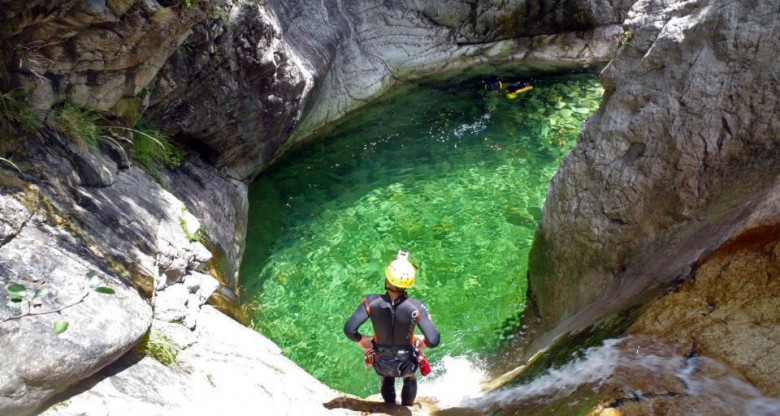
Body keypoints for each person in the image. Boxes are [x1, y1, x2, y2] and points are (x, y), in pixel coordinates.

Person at [344, 249, 440, 406]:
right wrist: (424, 343)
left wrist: (361, 339)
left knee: (387, 378)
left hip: (382, 356)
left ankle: (390, 407)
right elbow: (434, 340)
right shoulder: (416, 307)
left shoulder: (371, 302)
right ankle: (406, 408)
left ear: (387, 280)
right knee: (409, 378)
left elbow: (349, 329)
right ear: (409, 284)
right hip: (406, 357)